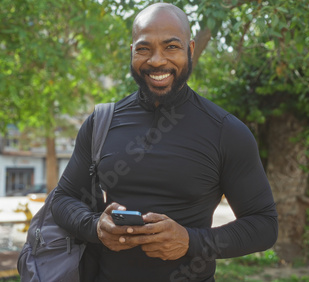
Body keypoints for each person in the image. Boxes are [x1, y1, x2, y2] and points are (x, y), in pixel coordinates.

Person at [51, 3, 278, 281]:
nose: (157, 61)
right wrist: (94, 225)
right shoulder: (102, 122)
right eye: (144, 48)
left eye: (171, 47)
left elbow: (264, 225)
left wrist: (190, 241)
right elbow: (63, 199)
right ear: (131, 52)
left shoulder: (226, 131)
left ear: (190, 50)